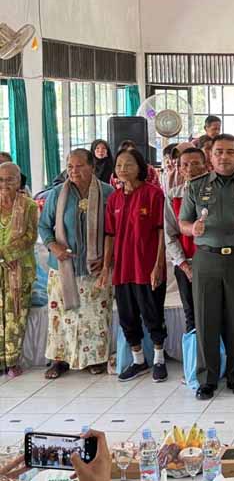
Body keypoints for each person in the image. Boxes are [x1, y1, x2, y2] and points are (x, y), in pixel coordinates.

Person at [179, 134, 234, 399]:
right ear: (210, 155)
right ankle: (206, 379)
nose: (224, 157)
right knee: (206, 318)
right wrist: (192, 229)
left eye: (230, 151)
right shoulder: (196, 186)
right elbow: (182, 223)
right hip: (206, 258)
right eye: (219, 151)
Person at [39, 149, 115, 379]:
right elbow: (44, 226)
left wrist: (107, 261)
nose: (73, 171)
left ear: (92, 166)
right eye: (70, 166)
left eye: (79, 166)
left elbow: (113, 231)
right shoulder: (56, 194)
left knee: (95, 315)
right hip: (63, 268)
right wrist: (54, 246)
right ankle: (59, 360)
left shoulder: (108, 193)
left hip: (96, 267)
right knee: (61, 316)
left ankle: (95, 359)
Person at [100, 148, 167, 383]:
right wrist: (106, 266)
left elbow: (162, 231)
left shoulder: (154, 194)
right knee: (127, 316)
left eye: (128, 164)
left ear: (140, 167)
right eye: (119, 165)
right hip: (123, 268)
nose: (122, 169)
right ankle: (139, 360)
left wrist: (158, 265)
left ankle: (159, 359)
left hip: (147, 267)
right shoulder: (114, 198)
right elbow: (109, 234)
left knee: (152, 313)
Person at [0, 162, 38, 379]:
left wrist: (4, 254)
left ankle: (12, 361)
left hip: (20, 268)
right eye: (0, 179)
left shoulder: (29, 206)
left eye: (10, 179)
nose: (4, 184)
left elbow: (30, 237)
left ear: (18, 181)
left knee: (15, 314)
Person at [164, 147, 207, 333]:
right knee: (191, 315)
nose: (190, 169)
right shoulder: (173, 195)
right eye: (185, 165)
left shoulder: (215, 193)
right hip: (185, 263)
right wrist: (183, 264)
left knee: (213, 313)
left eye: (195, 163)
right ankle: (194, 351)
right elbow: (170, 233)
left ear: (206, 166)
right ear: (179, 169)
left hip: (212, 262)